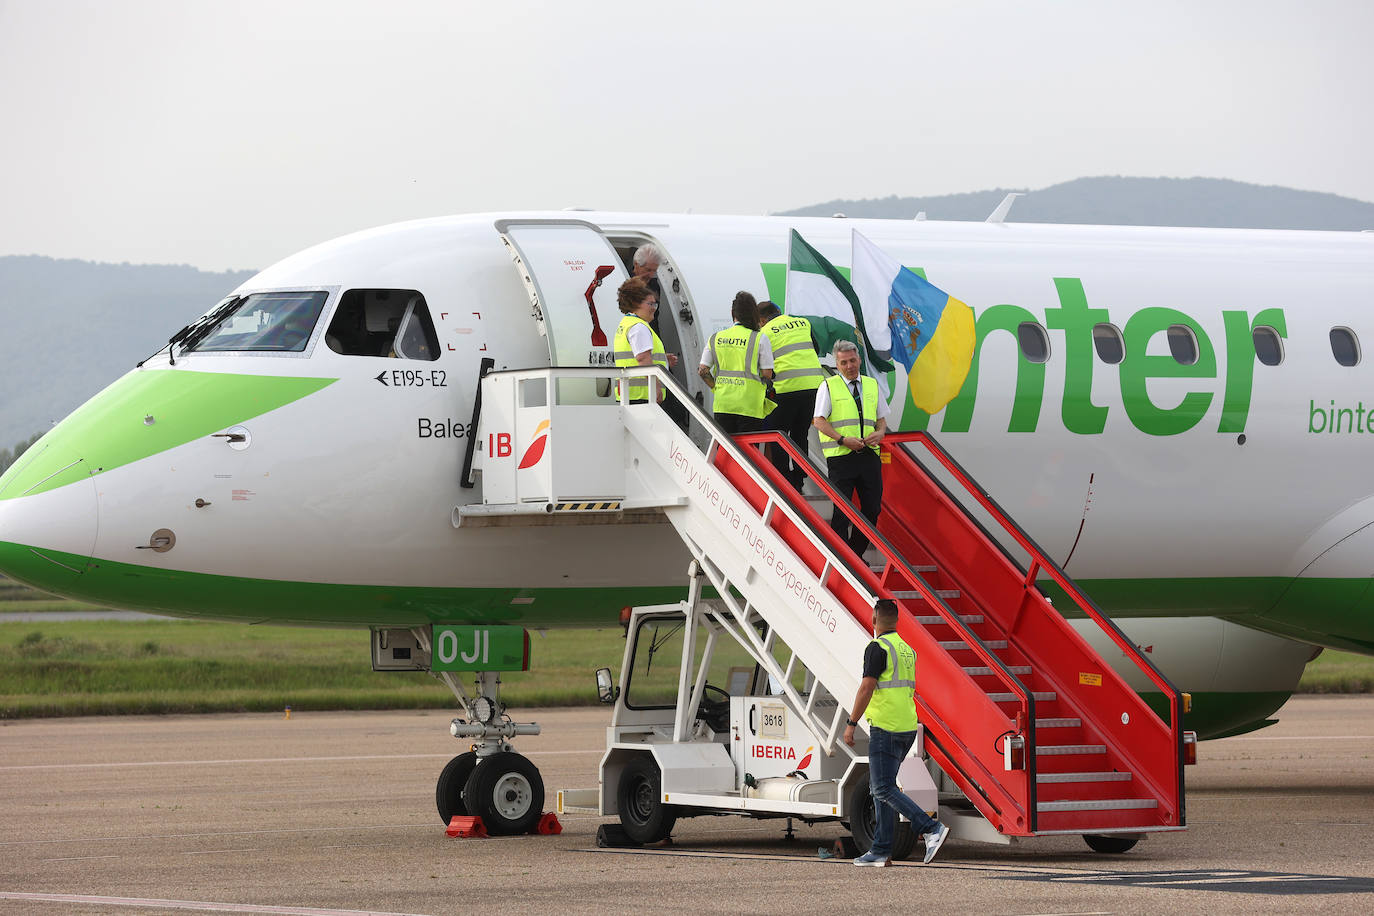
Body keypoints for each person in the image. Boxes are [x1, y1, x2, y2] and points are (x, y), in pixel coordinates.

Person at [844, 598, 950, 866]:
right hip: (907, 727)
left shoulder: (877, 648)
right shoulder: (906, 649)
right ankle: (880, 849)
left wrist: (851, 722)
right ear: (897, 621)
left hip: (886, 727)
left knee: (882, 788)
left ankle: (930, 828)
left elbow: (866, 688)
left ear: (874, 619)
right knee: (880, 787)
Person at [813, 340, 887, 556]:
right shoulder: (828, 386)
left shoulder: (872, 385)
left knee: (873, 509)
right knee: (842, 512)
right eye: (844, 362)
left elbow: (881, 419)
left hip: (869, 455)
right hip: (841, 457)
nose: (849, 366)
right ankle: (843, 559)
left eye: (852, 360)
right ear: (837, 364)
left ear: (859, 360)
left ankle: (854, 554)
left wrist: (880, 432)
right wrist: (842, 439)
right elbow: (819, 421)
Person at [759, 301, 824, 490]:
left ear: (762, 320)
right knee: (800, 434)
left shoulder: (764, 332)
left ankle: (784, 479)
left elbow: (763, 365)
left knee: (777, 433)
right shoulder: (802, 323)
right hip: (813, 388)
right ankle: (799, 476)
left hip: (785, 388)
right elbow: (816, 349)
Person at [698, 291, 774, 433]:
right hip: (750, 405)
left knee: (725, 450)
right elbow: (767, 374)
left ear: (733, 313)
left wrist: (717, 388)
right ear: (754, 313)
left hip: (723, 403)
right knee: (746, 453)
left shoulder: (715, 338)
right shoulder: (759, 338)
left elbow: (703, 371)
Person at [613, 277, 679, 404]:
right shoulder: (639, 327)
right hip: (643, 396)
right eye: (651, 304)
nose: (654, 308)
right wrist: (655, 387)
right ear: (636, 303)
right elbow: (643, 358)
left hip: (631, 396)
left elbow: (634, 356)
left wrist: (663, 360)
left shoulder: (627, 324)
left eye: (655, 304)